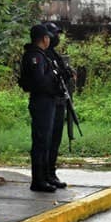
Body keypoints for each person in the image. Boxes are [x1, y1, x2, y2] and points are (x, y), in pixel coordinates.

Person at [20, 24, 60, 192]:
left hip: (47, 101)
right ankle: (38, 180)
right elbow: (39, 81)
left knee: (46, 141)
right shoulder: (35, 57)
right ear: (44, 39)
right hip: (41, 101)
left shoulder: (42, 56)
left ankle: (44, 177)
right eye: (48, 37)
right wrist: (53, 75)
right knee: (41, 141)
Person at [42, 22, 73, 189]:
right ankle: (44, 175)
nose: (58, 38)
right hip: (48, 103)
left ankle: (51, 173)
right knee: (46, 141)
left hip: (59, 101)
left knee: (55, 141)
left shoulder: (54, 54)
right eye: (55, 35)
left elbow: (62, 76)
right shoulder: (42, 55)